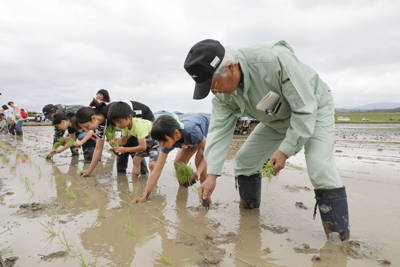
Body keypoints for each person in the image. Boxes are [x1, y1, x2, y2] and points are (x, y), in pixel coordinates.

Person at [183, 39, 349, 244]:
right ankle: (250, 219)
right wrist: (212, 175)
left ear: (230, 68)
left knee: (319, 167)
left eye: (213, 84)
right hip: (276, 119)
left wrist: (285, 150)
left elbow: (304, 108)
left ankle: (338, 241)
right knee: (244, 160)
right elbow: (218, 132)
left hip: (313, 107)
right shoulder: (223, 96)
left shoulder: (274, 61)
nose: (214, 92)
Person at [137, 113, 210, 203]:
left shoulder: (193, 131)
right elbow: (156, 171)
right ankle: (184, 186)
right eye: (159, 141)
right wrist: (145, 196)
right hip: (192, 140)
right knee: (178, 163)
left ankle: (205, 195)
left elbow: (208, 153)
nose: (161, 144)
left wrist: (198, 170)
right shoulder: (168, 139)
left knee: (199, 161)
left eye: (163, 141)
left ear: (176, 133)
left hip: (207, 130)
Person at [75, 99, 154, 177]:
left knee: (132, 146)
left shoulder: (112, 113)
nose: (86, 130)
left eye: (86, 126)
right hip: (129, 126)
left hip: (143, 118)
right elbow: (98, 149)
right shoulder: (100, 126)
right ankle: (122, 175)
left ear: (93, 118)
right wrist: (89, 171)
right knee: (121, 148)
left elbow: (132, 129)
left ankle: (143, 175)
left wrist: (123, 142)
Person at [107, 101, 160, 179]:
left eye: (120, 122)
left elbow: (143, 147)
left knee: (152, 164)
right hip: (145, 139)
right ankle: (134, 182)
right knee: (136, 160)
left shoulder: (139, 126)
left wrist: (124, 149)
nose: (118, 125)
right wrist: (115, 141)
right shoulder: (124, 126)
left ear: (129, 117)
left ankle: (154, 187)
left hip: (156, 138)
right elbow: (124, 141)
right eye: (115, 123)